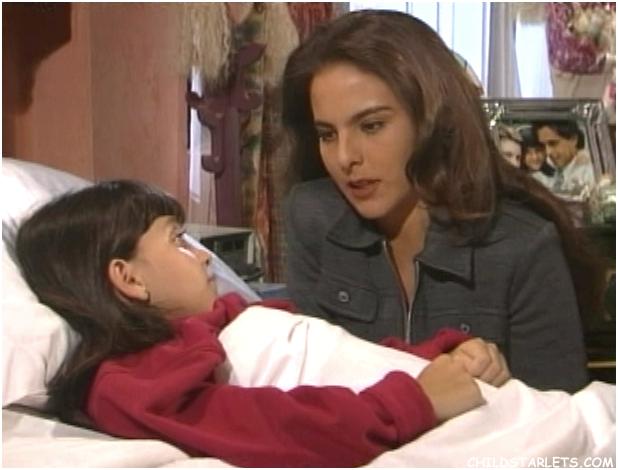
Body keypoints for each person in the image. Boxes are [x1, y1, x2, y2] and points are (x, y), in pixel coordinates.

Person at [15, 180, 511, 468]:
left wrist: (438, 359)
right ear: (129, 279)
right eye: (178, 240)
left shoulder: (219, 321)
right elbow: (270, 428)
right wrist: (414, 400)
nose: (203, 258)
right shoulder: (129, 382)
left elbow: (333, 357)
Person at [281, 9, 604, 393]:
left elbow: (563, 422)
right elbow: (303, 391)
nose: (345, 157)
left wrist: (502, 398)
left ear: (432, 120)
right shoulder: (313, 216)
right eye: (327, 134)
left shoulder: (523, 247)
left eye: (371, 126)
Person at [532, 120, 596, 199]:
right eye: (543, 145)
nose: (548, 152)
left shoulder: (590, 174)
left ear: (573, 139)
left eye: (553, 143)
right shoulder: (545, 169)